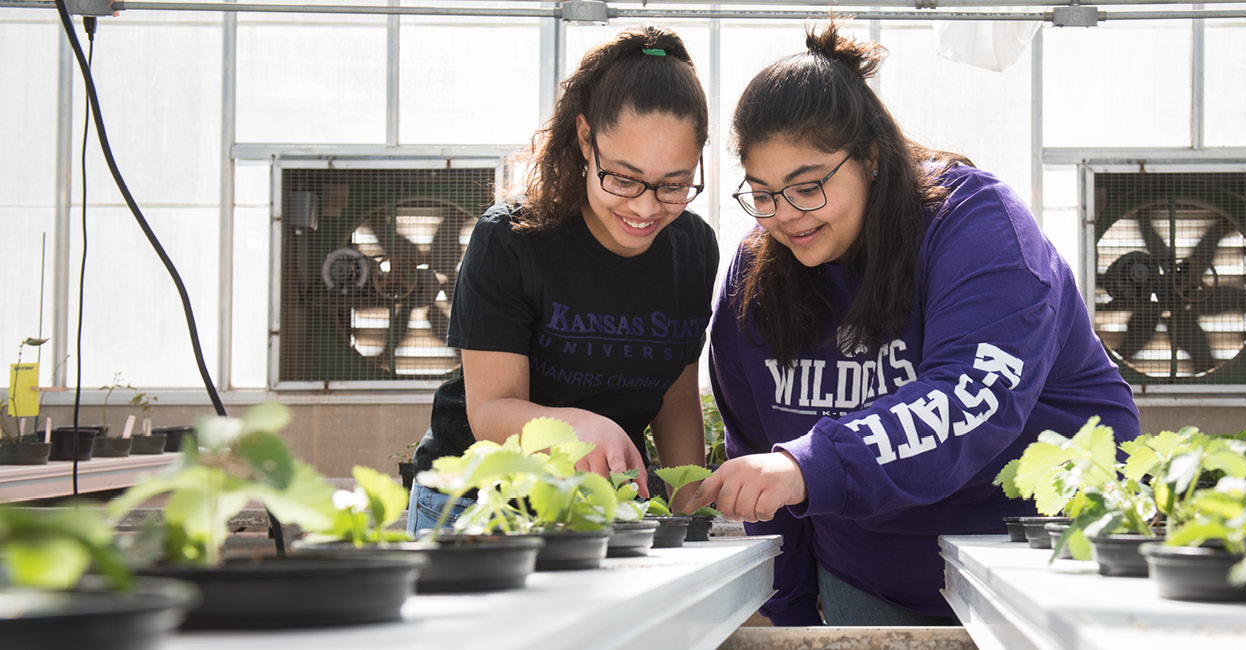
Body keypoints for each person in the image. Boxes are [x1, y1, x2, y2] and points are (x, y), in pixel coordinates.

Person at [682, 22, 1140, 626]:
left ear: (871, 157)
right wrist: (788, 612)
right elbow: (759, 449)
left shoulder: (975, 226)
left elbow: (969, 398)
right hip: (871, 579)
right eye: (763, 194)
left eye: (808, 186)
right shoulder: (758, 273)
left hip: (1035, 569)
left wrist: (808, 466)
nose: (785, 216)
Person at [408, 26, 717, 534]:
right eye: (622, 177)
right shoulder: (512, 238)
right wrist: (578, 425)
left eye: (674, 185)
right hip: (479, 503)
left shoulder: (693, 248)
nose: (644, 207)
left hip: (604, 509)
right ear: (584, 138)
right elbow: (490, 410)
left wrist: (692, 510)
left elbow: (676, 398)